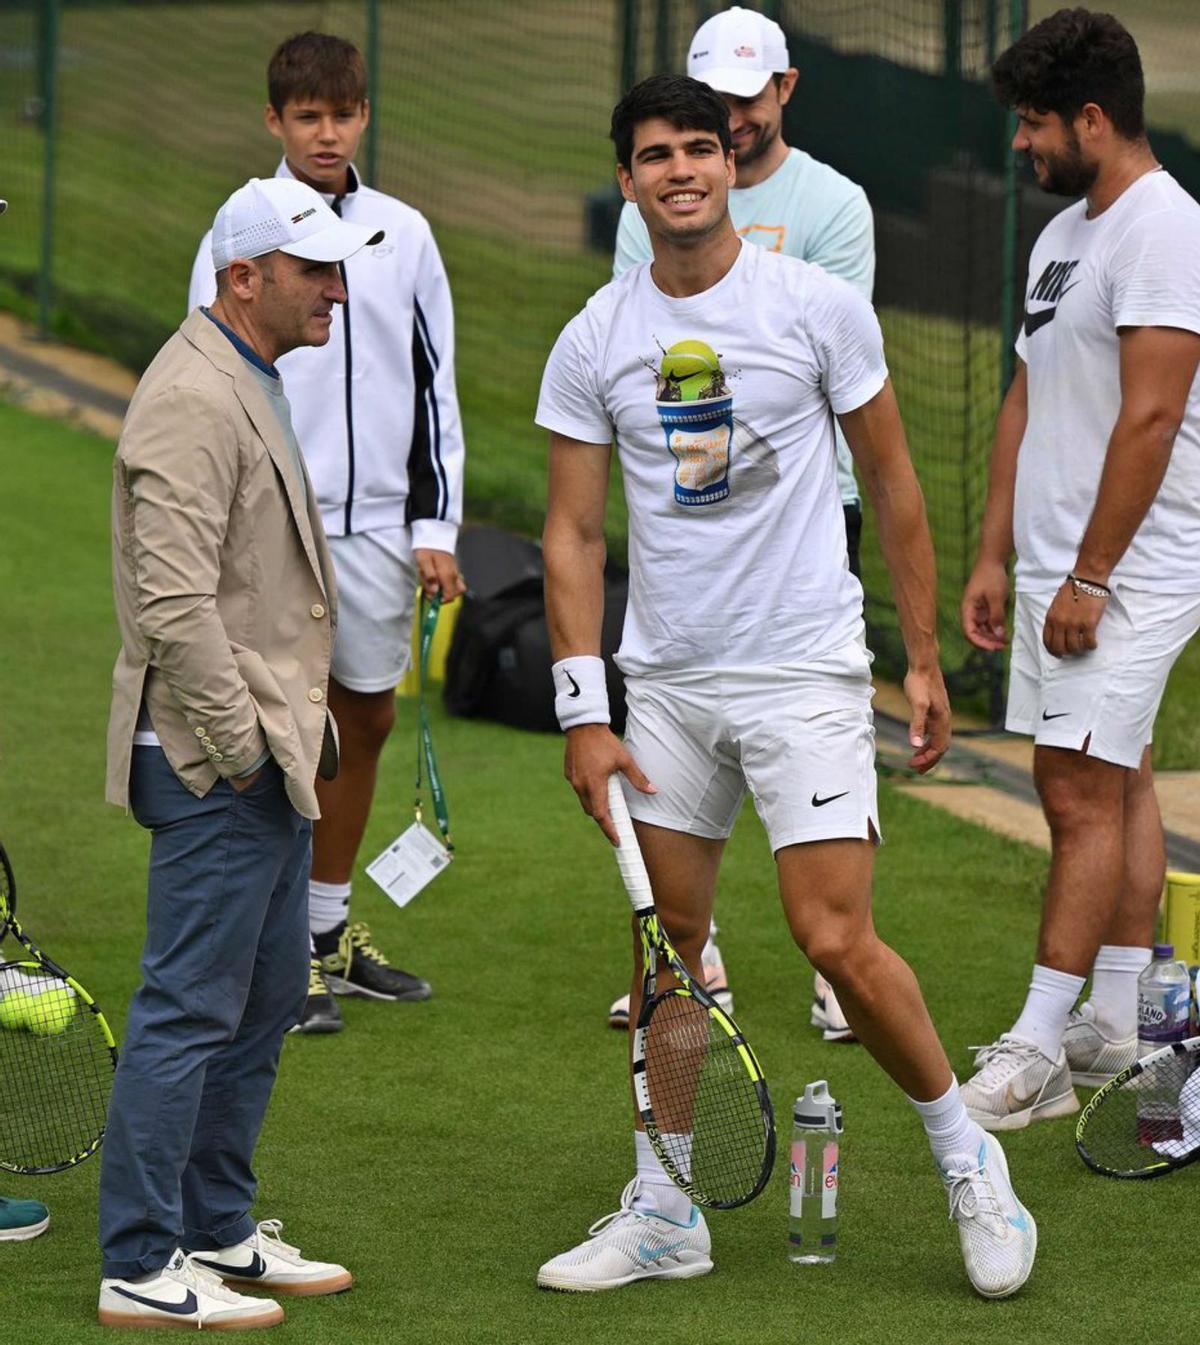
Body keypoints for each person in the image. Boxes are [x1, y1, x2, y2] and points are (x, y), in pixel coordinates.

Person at [535, 73, 1036, 1300]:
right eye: (656, 155)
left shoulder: (813, 305)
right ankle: (665, 1206)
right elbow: (569, 535)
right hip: (665, 687)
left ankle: (969, 1160)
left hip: (806, 671)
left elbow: (896, 479)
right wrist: (583, 710)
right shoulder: (596, 338)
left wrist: (918, 658)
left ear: (733, 160)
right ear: (630, 182)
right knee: (670, 949)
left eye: (700, 148)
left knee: (833, 936)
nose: (682, 170)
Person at [99, 176, 378, 1329]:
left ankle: (216, 1228)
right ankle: (138, 1258)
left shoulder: (244, 374)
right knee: (188, 1008)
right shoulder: (191, 395)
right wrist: (249, 751)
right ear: (243, 276)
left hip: (262, 757)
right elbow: (172, 604)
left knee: (261, 998)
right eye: (316, 271)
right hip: (223, 763)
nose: (340, 291)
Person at [189, 31, 466, 1035]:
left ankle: (327, 936)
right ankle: (270, 950)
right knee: (277, 732)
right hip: (270, 532)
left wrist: (435, 522)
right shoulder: (237, 225)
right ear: (275, 121)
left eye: (342, 113)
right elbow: (206, 378)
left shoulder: (406, 232)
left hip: (383, 529)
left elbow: (435, 389)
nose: (326, 131)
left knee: (364, 721)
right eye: (307, 115)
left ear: (363, 116)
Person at [606, 4, 873, 1043]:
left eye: (745, 102)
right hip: (686, 507)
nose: (731, 120)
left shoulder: (832, 206)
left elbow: (818, 368)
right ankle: (693, 949)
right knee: (683, 733)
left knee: (811, 730)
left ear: (784, 92)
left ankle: (832, 959)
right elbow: (641, 328)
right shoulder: (656, 189)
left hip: (813, 505)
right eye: (714, 101)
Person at [959, 9, 1200, 1128]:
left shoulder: (1164, 230)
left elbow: (1152, 416)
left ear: (1093, 119)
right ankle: (1111, 1023)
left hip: (1136, 565)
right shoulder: (1064, 239)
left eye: (1034, 123)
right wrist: (997, 549)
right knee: (1123, 776)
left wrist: (1093, 574)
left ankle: (1038, 1043)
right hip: (1063, 560)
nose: (1022, 145)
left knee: (1074, 788)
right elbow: (1027, 395)